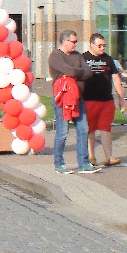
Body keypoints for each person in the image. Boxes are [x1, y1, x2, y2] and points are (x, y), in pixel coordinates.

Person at [49, 30, 99, 174]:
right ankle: (59, 164)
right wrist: (77, 72)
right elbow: (70, 72)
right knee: (63, 132)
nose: (76, 44)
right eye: (73, 41)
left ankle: (83, 163)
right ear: (65, 41)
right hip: (62, 99)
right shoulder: (55, 56)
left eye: (76, 41)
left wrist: (75, 72)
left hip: (78, 98)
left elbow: (88, 72)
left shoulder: (77, 55)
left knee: (83, 129)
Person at [82, 33, 125, 167]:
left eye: (104, 45)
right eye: (99, 46)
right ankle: (91, 156)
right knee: (90, 129)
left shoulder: (108, 59)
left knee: (106, 128)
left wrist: (121, 98)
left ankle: (108, 156)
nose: (102, 48)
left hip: (106, 100)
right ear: (91, 44)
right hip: (88, 99)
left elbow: (116, 78)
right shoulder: (83, 58)